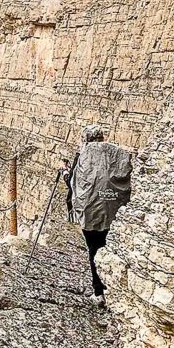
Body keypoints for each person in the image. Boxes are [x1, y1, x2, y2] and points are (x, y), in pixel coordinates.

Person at [65, 124, 131, 306]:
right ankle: (116, 289)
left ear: (85, 138)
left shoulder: (83, 155)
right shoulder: (118, 153)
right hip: (115, 211)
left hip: (91, 212)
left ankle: (99, 291)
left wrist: (64, 173)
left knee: (94, 249)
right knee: (111, 247)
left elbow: (74, 183)